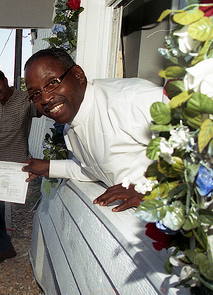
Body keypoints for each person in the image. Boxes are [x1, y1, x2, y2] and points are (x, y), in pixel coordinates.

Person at [21, 48, 166, 211]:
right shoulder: (71, 123)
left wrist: (151, 191)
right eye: (35, 94)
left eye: (52, 83)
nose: (45, 98)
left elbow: (196, 137)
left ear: (78, 75)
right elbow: (93, 168)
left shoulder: (129, 98)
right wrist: (48, 167)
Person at [0, 70, 40, 263]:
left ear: (6, 81)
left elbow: (42, 110)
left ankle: (3, 247)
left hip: (12, 161)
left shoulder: (25, 100)